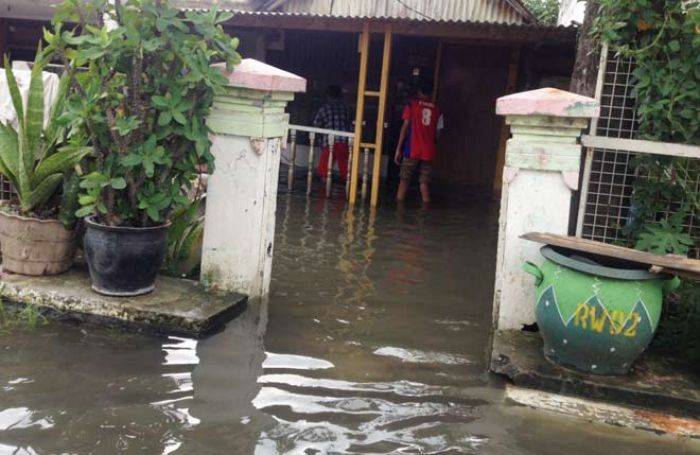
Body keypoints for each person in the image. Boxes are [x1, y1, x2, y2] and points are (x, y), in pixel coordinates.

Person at [394, 81, 444, 203]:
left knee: (404, 181)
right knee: (424, 182)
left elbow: (405, 128)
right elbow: (438, 132)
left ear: (419, 92)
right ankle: (425, 211)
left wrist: (398, 149)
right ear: (431, 93)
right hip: (429, 151)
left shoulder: (411, 106)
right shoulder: (438, 110)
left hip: (412, 149)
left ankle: (399, 209)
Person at [313, 85, 352, 183]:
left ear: (328, 96)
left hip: (330, 141)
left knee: (324, 170)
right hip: (344, 141)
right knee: (345, 169)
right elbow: (350, 123)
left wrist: (319, 140)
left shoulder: (325, 108)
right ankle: (349, 190)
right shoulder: (346, 108)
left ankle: (323, 192)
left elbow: (316, 124)